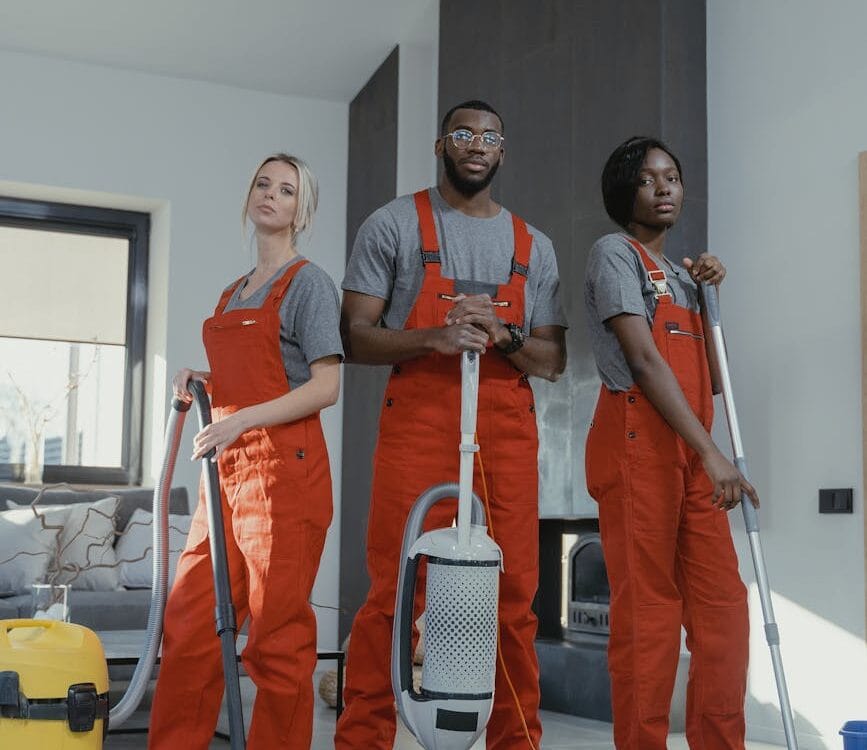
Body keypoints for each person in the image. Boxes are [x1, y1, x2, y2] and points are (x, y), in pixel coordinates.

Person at [335, 99, 567, 749]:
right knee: (394, 589)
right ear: (441, 145)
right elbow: (354, 337)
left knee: (514, 597)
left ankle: (515, 740)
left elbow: (552, 359)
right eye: (463, 133)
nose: (476, 144)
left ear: (502, 151)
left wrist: (504, 332)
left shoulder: (534, 246)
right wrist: (435, 336)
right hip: (419, 421)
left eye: (490, 136)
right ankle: (362, 739)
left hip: (505, 428)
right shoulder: (393, 224)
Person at [148, 153, 343, 749]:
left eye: (286, 190)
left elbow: (325, 386)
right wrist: (201, 378)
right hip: (226, 468)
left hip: (284, 472)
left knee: (276, 637)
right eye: (263, 184)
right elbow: (250, 376)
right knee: (189, 620)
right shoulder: (235, 292)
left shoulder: (308, 282)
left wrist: (243, 422)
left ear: (300, 211)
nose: (270, 195)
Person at [583, 136, 759, 750]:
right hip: (637, 447)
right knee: (648, 619)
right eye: (648, 179)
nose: (664, 188)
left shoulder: (685, 280)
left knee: (724, 614)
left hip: (689, 456)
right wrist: (713, 455)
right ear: (623, 191)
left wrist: (713, 300)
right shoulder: (615, 254)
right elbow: (643, 359)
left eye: (673, 177)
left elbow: (715, 378)